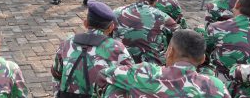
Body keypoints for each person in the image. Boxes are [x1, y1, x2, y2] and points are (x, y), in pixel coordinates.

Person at [96, 29, 231, 97]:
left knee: (116, 87)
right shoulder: (216, 86)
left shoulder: (145, 72)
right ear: (202, 59)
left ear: (170, 51)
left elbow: (103, 75)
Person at [51, 0, 133, 97]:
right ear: (111, 28)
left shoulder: (67, 43)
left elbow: (56, 74)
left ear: (85, 23)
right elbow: (131, 79)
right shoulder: (117, 48)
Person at [113, 0, 178, 64]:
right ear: (156, 1)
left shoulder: (116, 12)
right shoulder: (162, 17)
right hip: (150, 71)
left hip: (120, 67)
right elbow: (181, 37)